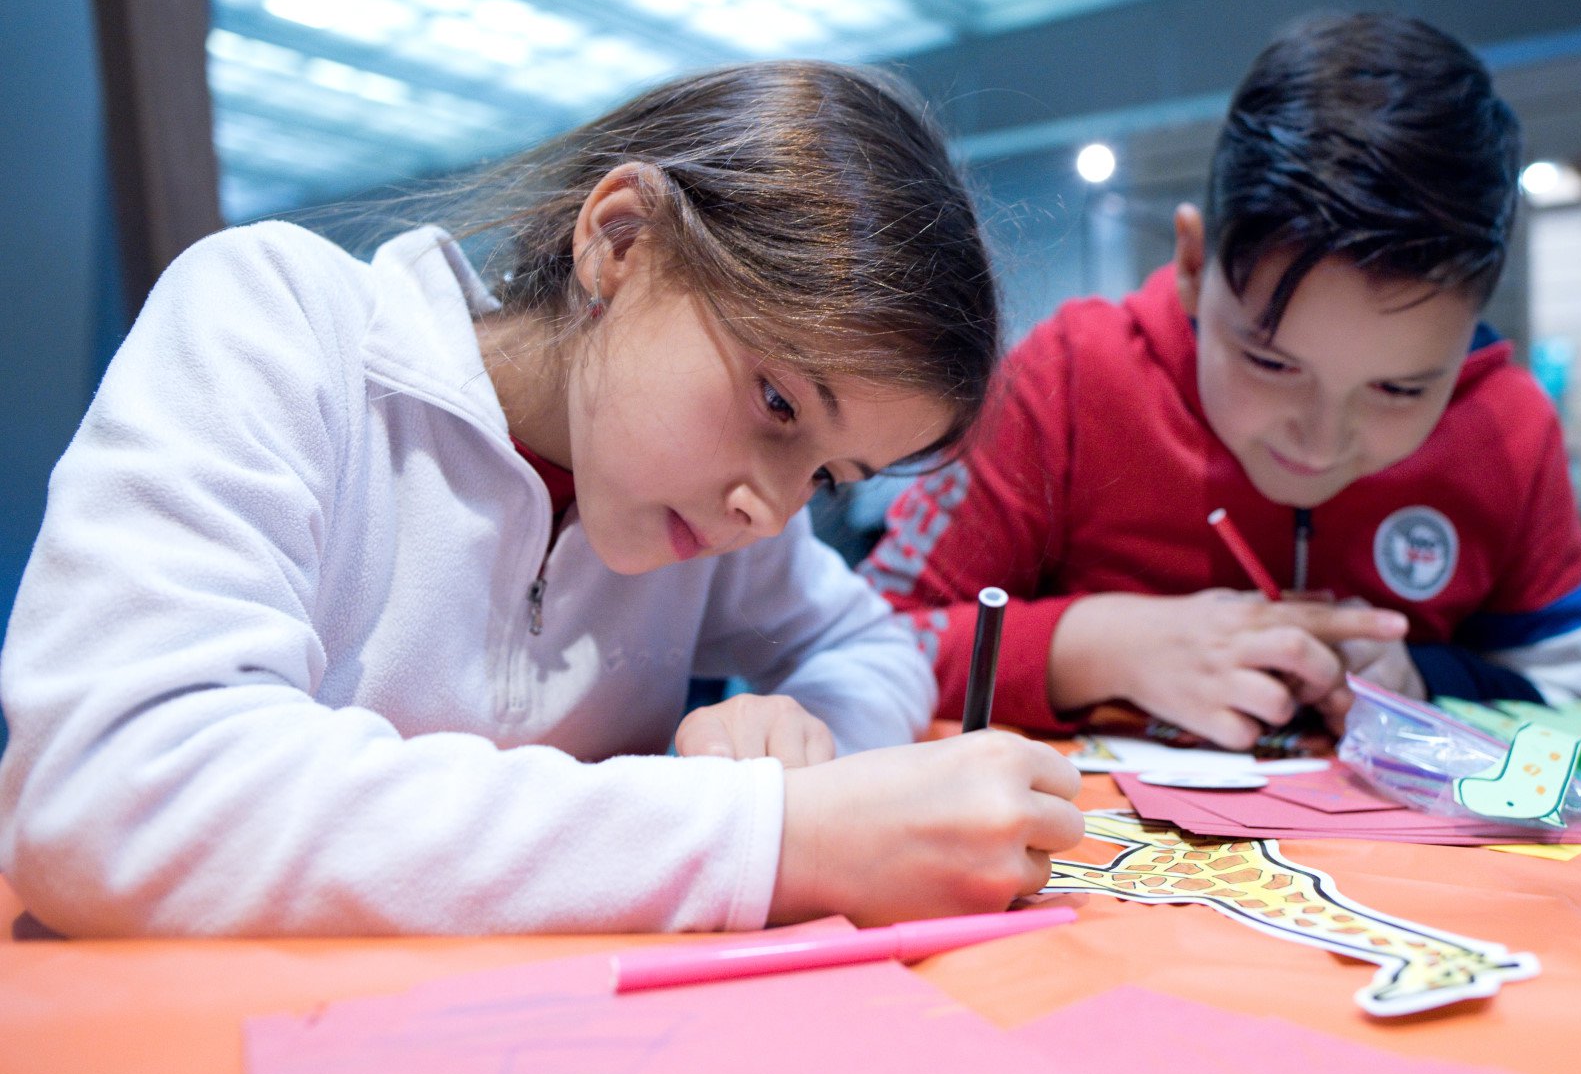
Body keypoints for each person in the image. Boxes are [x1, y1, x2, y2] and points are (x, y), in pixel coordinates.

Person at [0, 61, 1083, 937]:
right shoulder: (281, 324)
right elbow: (112, 799)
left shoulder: (724, 512)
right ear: (620, 242)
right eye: (776, 401)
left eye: (831, 480)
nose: (774, 510)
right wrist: (764, 835)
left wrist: (804, 745)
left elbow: (875, 649)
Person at [863, 14, 1581, 751]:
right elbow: (867, 637)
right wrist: (1095, 645)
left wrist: (1424, 677)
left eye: (1401, 390)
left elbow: (1579, 695)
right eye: (1272, 363)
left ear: (1472, 322)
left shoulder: (1508, 429)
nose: (1320, 442)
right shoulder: (1064, 381)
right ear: (1192, 265)